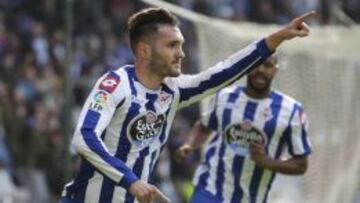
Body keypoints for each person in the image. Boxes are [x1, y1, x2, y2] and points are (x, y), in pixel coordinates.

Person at [61, 6, 315, 203]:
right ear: (145, 50)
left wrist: (278, 38)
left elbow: (224, 72)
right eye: (172, 45)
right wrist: (131, 181)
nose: (181, 53)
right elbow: (83, 137)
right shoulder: (115, 84)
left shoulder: (174, 90)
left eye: (181, 45)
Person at [175, 55, 312, 203]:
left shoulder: (291, 110)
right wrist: (189, 144)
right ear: (247, 66)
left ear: (275, 70)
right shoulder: (224, 96)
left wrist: (266, 162)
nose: (260, 70)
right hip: (210, 189)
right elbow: (204, 126)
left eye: (267, 65)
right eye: (255, 64)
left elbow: (301, 164)